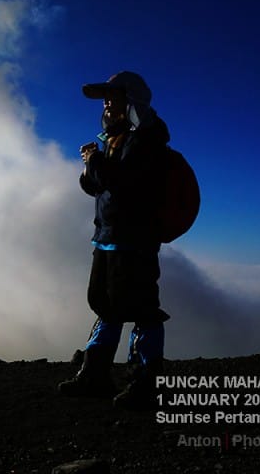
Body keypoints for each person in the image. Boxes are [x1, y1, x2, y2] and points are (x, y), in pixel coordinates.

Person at [58, 71, 170, 410]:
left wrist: (94, 162)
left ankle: (146, 383)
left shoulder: (146, 139)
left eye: (114, 96)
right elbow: (99, 186)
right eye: (106, 98)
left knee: (142, 308)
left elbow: (121, 183)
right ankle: (95, 375)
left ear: (132, 101)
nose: (107, 103)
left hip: (134, 240)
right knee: (105, 304)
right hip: (108, 237)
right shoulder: (117, 139)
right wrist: (90, 166)